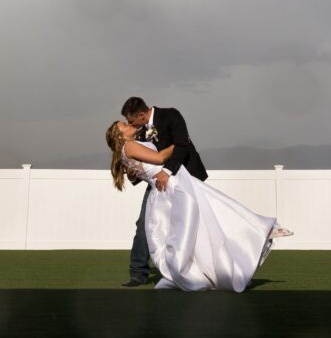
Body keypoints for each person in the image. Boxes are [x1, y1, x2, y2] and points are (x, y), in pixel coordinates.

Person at [105, 119, 292, 292]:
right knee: (213, 211)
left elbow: (138, 171)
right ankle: (259, 229)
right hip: (173, 185)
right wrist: (179, 144)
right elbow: (160, 158)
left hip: (163, 190)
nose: (128, 124)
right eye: (123, 125)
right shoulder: (129, 146)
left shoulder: (125, 150)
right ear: (119, 135)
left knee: (202, 221)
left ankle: (217, 261)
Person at [118, 96, 207, 286]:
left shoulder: (171, 115)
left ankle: (210, 267)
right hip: (157, 184)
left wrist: (167, 171)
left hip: (186, 178)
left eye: (131, 121)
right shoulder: (139, 133)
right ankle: (138, 272)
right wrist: (134, 175)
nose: (129, 124)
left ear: (142, 115)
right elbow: (144, 164)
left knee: (201, 223)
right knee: (144, 223)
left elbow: (183, 145)